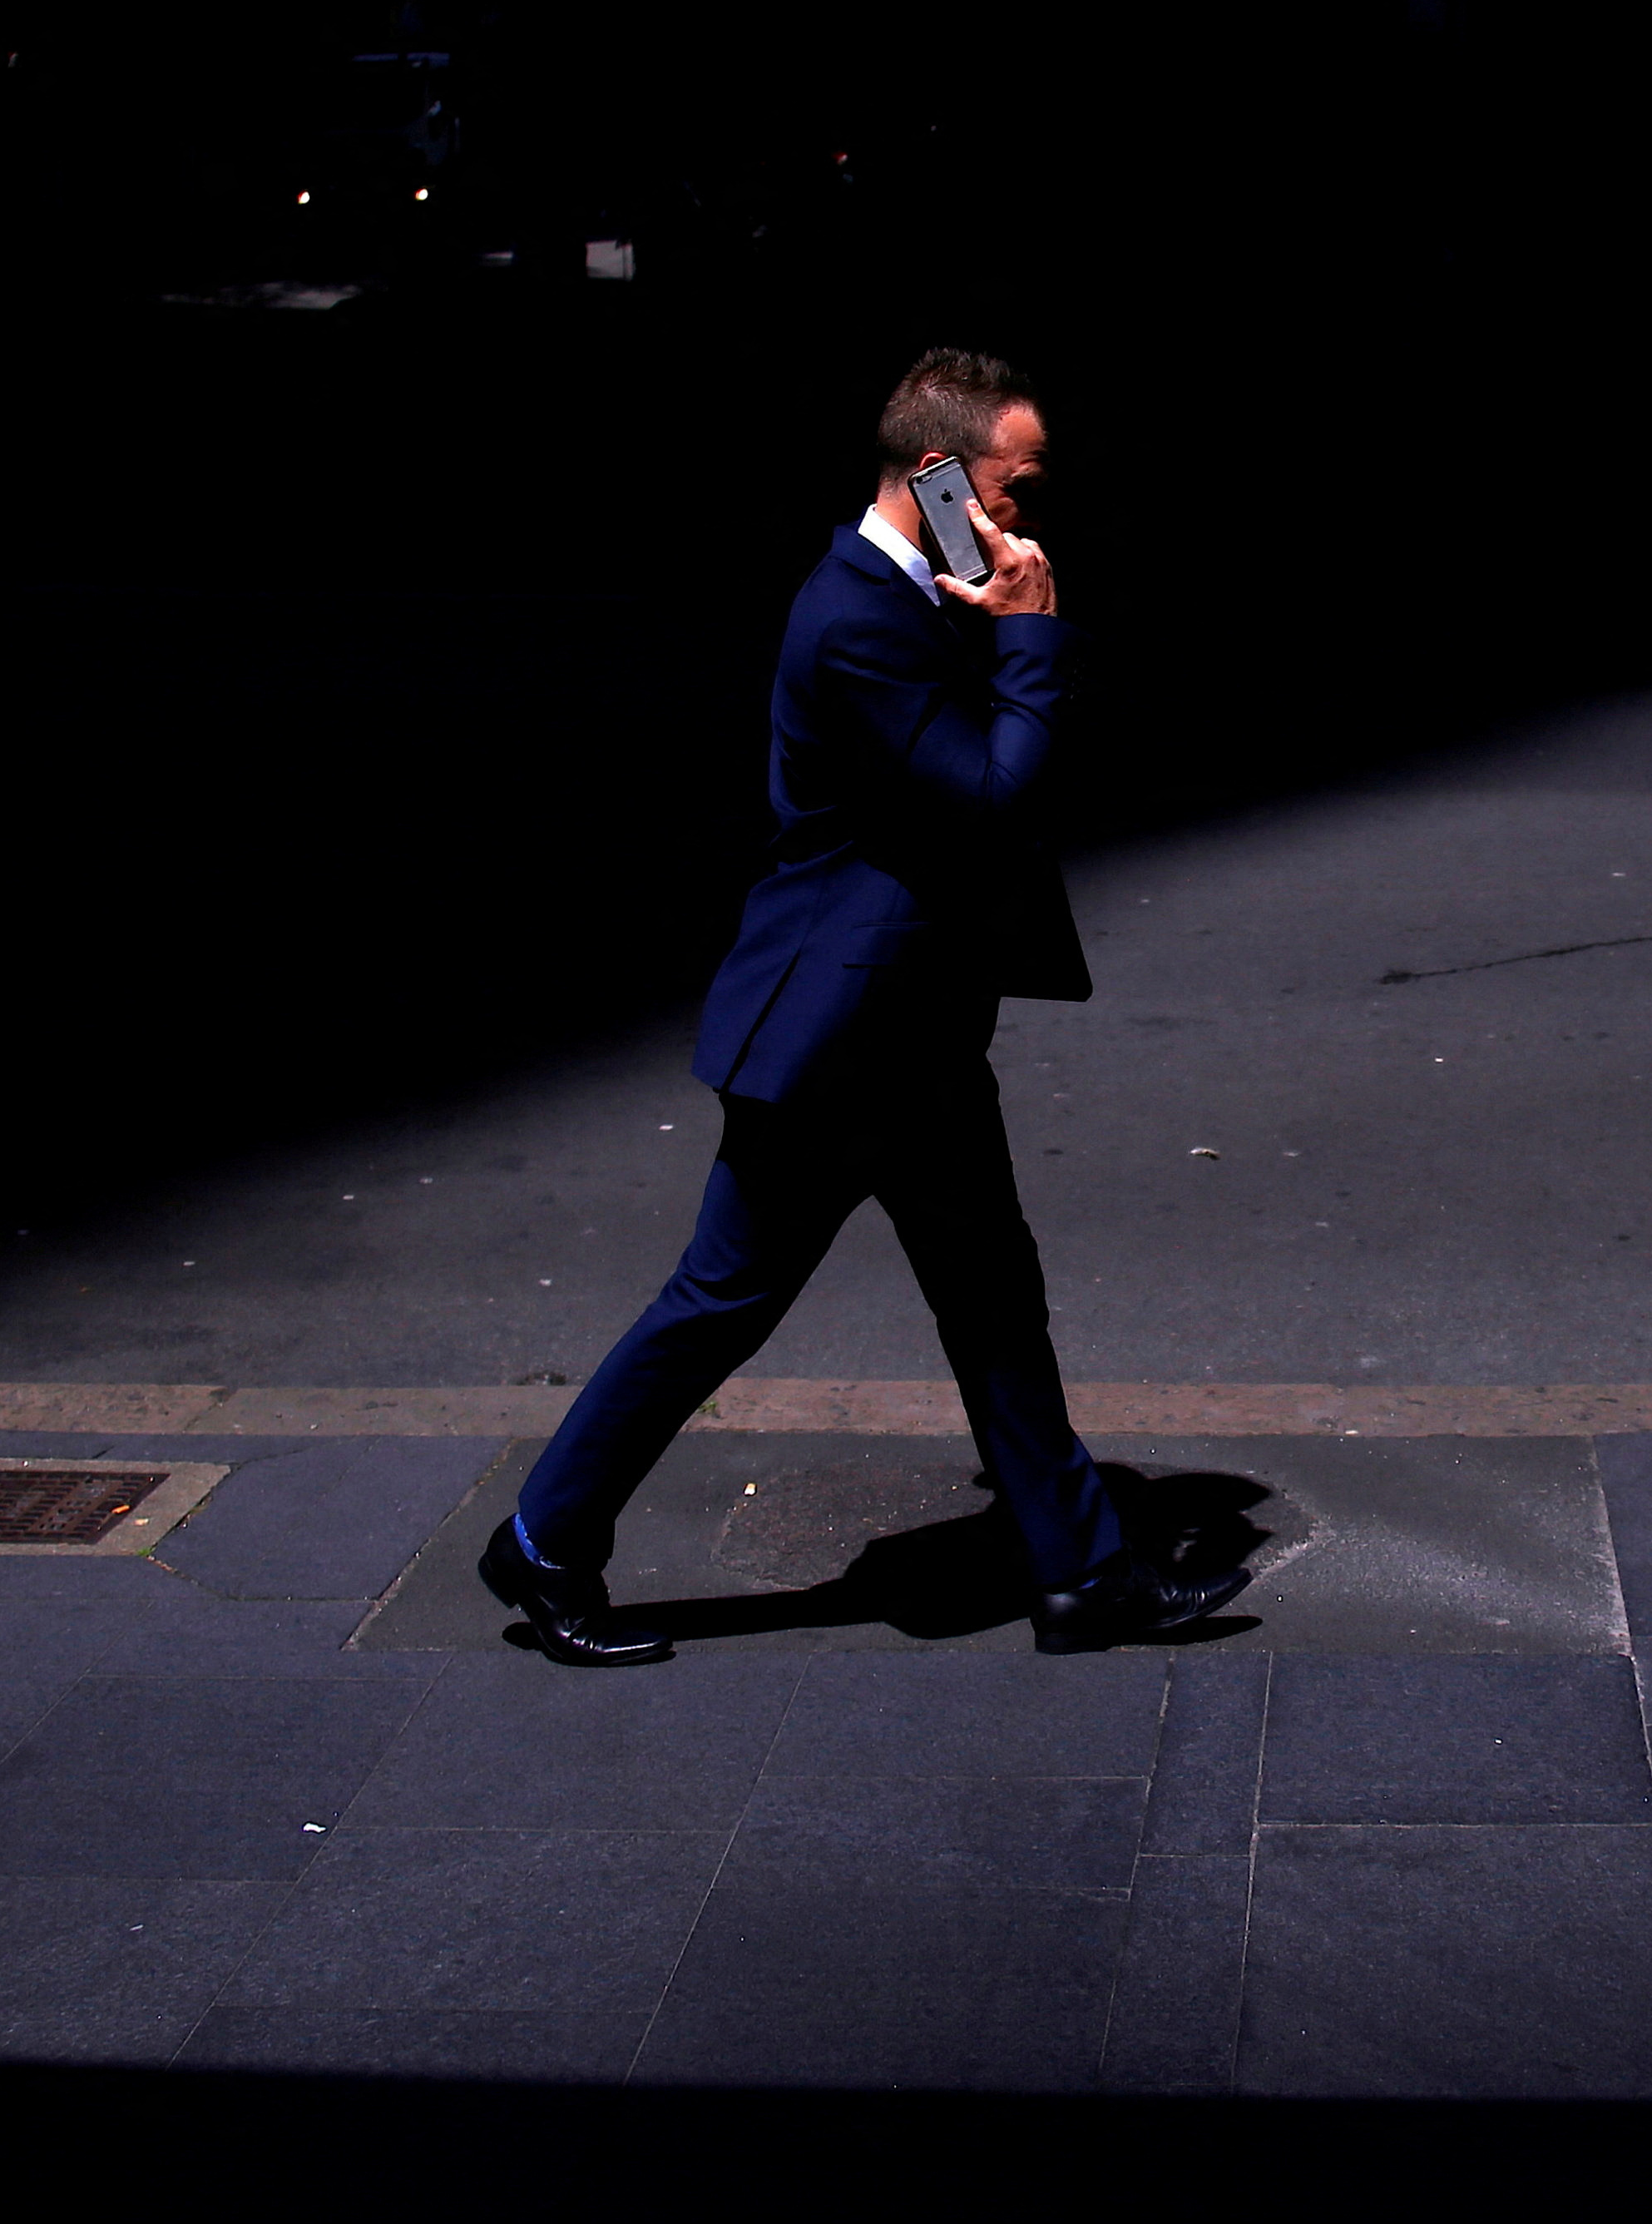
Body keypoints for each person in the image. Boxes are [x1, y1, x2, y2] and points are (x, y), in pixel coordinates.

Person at [478, 348, 1246, 1665]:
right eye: (1016, 480)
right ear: (940, 473)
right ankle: (544, 1541)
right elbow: (993, 794)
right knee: (720, 1301)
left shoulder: (921, 586)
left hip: (917, 1032)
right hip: (836, 1045)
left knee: (994, 1295)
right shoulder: (854, 620)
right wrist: (1029, 632)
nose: (1028, 508)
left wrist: (993, 609)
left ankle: (1081, 1575)